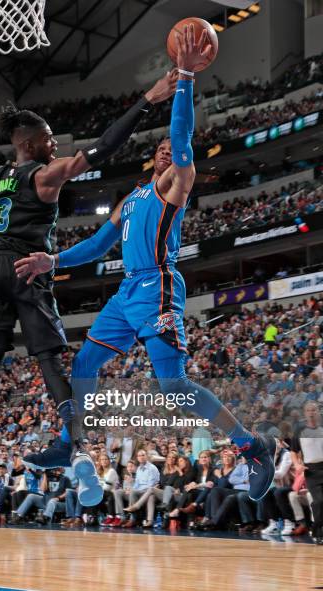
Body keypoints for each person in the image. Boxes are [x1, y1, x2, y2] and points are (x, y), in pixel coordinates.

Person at [15, 24, 276, 504]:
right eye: (157, 151)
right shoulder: (132, 199)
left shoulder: (174, 183)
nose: (164, 152)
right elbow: (96, 246)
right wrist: (52, 259)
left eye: (168, 151)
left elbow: (180, 134)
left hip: (157, 284)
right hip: (125, 294)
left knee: (172, 385)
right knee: (85, 364)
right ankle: (69, 443)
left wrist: (184, 78)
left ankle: (252, 446)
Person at [0, 70, 177, 521]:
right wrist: (148, 99)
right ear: (29, 143)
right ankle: (80, 450)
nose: (54, 146)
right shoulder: (46, 176)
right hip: (30, 266)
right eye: (48, 139)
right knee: (49, 360)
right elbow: (104, 147)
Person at [291, 401, 323, 544]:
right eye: (309, 410)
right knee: (319, 501)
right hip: (311, 471)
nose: (311, 412)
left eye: (314, 410)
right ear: (305, 413)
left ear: (318, 412)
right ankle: (317, 532)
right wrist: (297, 464)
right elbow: (293, 451)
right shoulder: (299, 431)